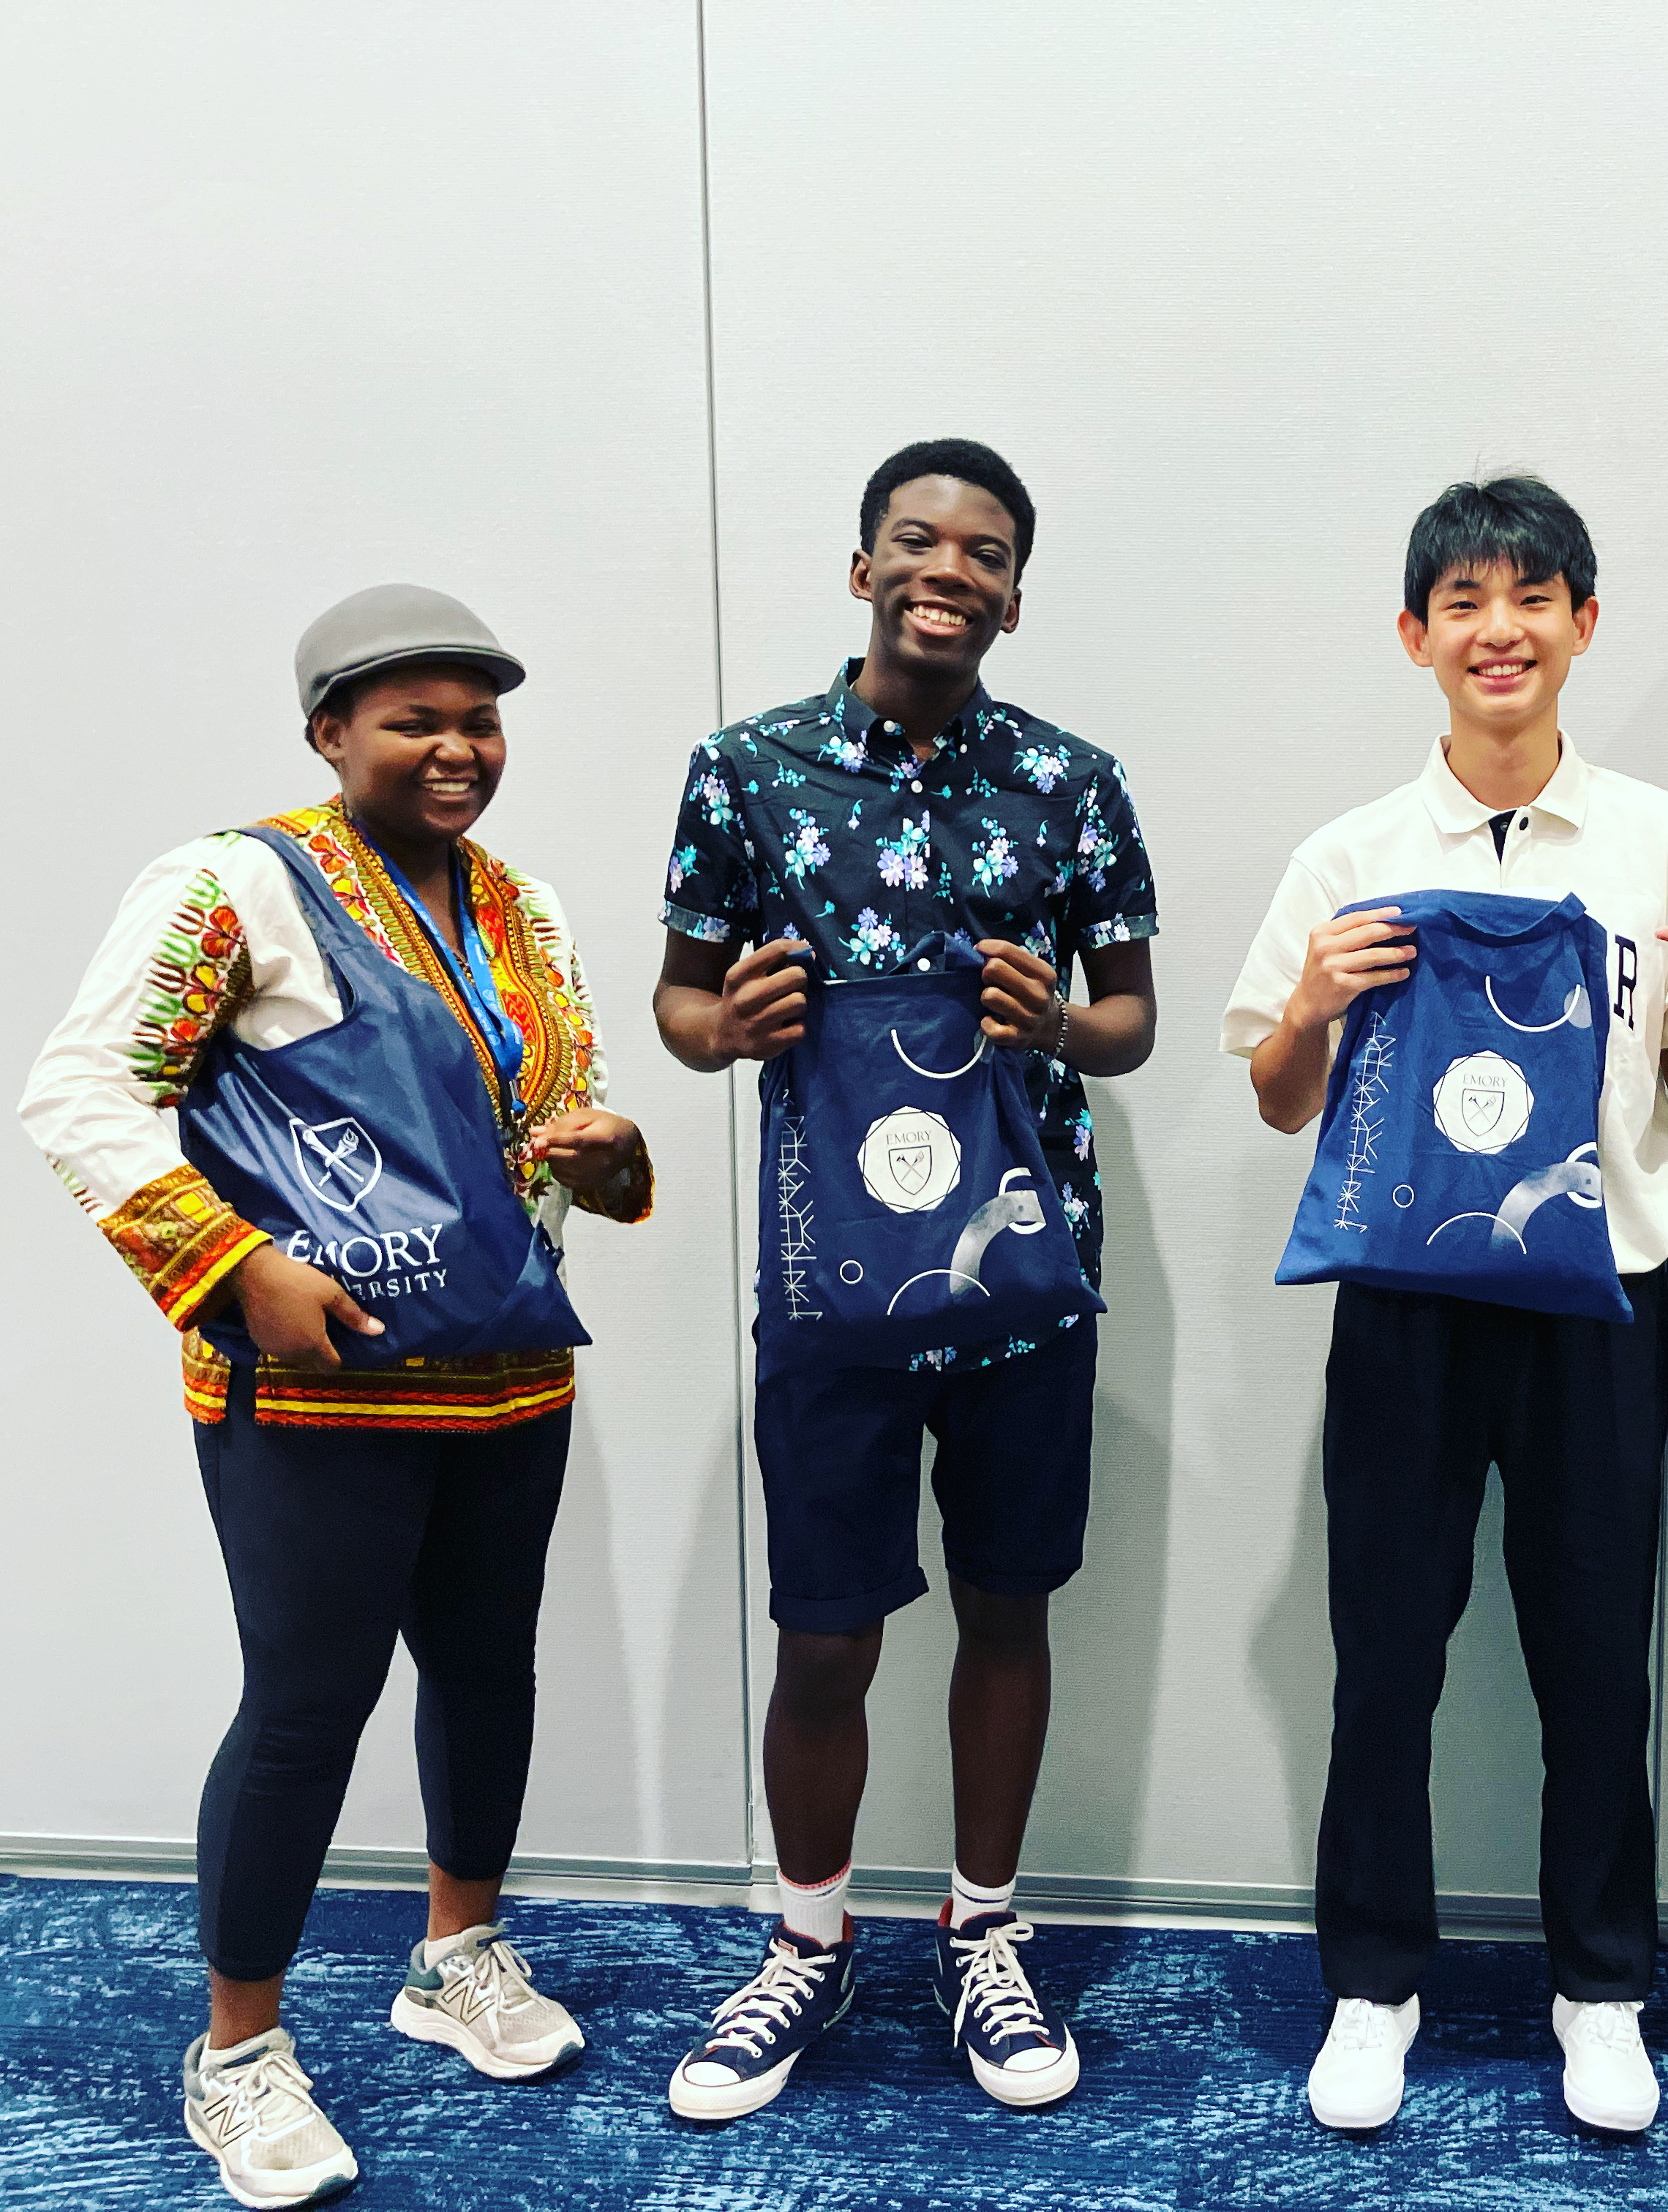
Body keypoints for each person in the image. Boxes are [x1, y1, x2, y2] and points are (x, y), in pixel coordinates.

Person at [20, 584, 654, 2208]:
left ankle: (458, 1958)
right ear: (329, 732)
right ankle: (234, 2053)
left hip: (509, 1375)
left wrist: (615, 1158)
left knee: (488, 1675)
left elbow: (555, 1124)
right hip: (314, 1387)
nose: (457, 747)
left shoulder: (526, 906)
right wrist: (234, 1267)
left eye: (481, 719)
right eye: (413, 717)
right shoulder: (237, 882)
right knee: (308, 1706)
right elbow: (84, 1086)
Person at [1222, 475, 1668, 2137]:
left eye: (1533, 597)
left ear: (1584, 623)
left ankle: (1600, 1992)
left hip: (1600, 1297)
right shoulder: (1352, 853)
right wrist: (1311, 1005)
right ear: (1417, 636)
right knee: (1385, 1654)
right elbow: (1273, 1094)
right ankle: (1373, 1986)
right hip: (1403, 1305)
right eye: (1464, 601)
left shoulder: (1663, 840)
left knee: (1595, 1654)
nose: (1500, 629)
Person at [653, 439, 1158, 2121]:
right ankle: (808, 1943)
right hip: (832, 1285)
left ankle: (982, 1934)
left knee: (1007, 1605)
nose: (952, 569)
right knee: (825, 1631)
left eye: (989, 551)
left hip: (1024, 1273)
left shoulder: (1075, 784)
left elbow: (1130, 1025)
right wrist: (728, 1027)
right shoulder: (747, 772)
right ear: (861, 567)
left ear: (1020, 590)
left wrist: (1057, 1021)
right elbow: (681, 1003)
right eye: (919, 541)